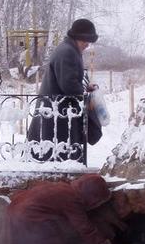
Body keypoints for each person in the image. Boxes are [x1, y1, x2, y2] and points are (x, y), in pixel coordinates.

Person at [6, 174, 128, 244]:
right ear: (91, 196)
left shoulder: (65, 188)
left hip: (15, 208)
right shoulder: (72, 200)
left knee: (46, 242)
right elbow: (85, 229)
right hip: (28, 215)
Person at [27, 18, 102, 160]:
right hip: (56, 111)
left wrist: (85, 87)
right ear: (77, 38)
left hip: (58, 109)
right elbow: (69, 85)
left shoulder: (69, 49)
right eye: (85, 40)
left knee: (56, 147)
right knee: (55, 149)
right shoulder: (68, 52)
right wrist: (86, 97)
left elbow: (69, 79)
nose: (87, 44)